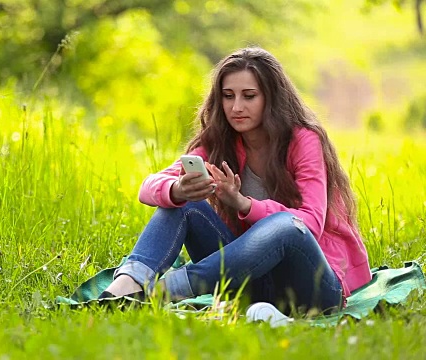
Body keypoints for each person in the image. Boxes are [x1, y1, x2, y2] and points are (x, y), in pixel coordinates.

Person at [99, 47, 372, 313]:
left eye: (249, 96)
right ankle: (127, 286)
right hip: (250, 282)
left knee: (287, 226)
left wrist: (244, 204)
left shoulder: (303, 140)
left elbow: (309, 224)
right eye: (228, 96)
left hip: (312, 288)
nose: (236, 107)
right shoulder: (220, 143)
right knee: (184, 204)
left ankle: (167, 290)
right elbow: (148, 188)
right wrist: (178, 188)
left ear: (271, 97)